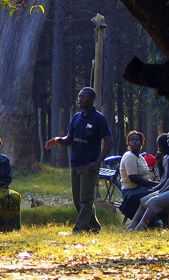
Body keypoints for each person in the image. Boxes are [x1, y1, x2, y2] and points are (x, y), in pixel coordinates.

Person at [45, 87, 112, 233]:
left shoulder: (99, 119)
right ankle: (93, 226)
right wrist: (57, 140)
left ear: (92, 99)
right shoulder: (76, 117)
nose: (80, 100)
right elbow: (69, 139)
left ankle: (78, 229)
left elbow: (108, 141)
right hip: (75, 163)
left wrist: (98, 161)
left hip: (89, 165)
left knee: (86, 200)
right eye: (79, 97)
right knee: (78, 200)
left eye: (83, 97)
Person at [117, 131, 159, 220]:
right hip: (131, 190)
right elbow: (133, 178)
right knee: (158, 196)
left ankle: (162, 220)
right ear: (128, 143)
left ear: (141, 142)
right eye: (131, 140)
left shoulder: (140, 157)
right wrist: (154, 185)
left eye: (137, 140)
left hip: (141, 188)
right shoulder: (129, 156)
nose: (134, 142)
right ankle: (154, 220)